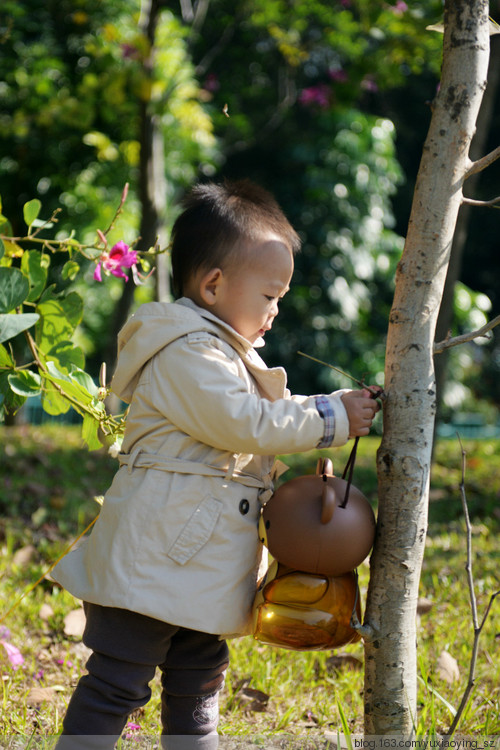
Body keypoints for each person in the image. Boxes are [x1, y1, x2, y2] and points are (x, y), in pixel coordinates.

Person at [52, 179, 380, 749]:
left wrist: (329, 410)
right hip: (156, 559)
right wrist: (330, 416)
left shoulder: (221, 353)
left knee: (199, 684)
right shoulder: (185, 352)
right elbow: (247, 423)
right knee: (118, 682)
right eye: (270, 295)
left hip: (199, 567)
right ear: (212, 284)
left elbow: (259, 413)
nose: (276, 311)